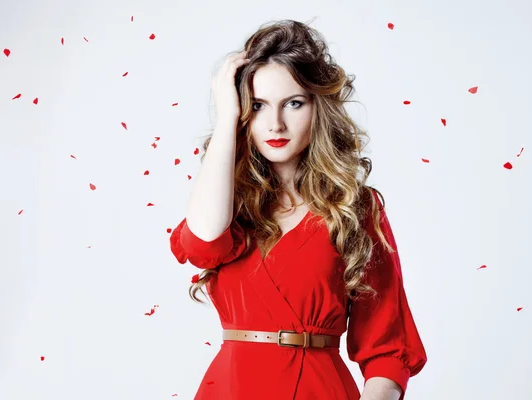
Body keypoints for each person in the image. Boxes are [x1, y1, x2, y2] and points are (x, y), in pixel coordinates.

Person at [170, 19, 427, 400]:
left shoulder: (355, 208)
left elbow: (386, 349)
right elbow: (203, 241)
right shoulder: (227, 205)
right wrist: (226, 116)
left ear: (317, 107)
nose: (275, 123)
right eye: (257, 106)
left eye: (293, 103)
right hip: (231, 389)